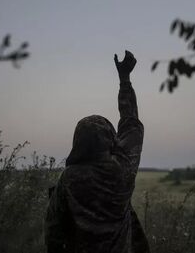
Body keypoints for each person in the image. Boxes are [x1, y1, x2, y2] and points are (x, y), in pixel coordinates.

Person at [45, 50, 150, 253]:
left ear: (78, 142)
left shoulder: (69, 178)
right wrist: (125, 79)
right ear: (111, 141)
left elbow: (53, 229)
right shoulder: (124, 168)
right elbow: (131, 123)